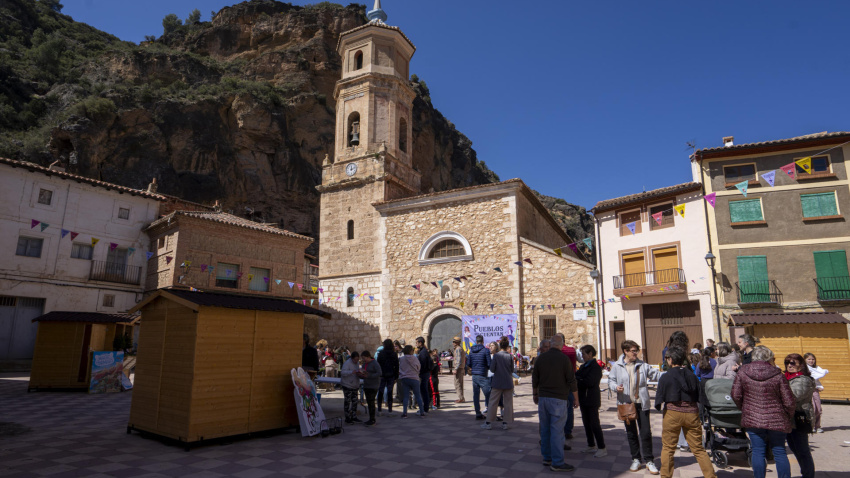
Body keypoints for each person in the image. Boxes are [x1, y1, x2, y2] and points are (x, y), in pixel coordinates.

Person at [731, 345, 795, 478]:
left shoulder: (743, 372)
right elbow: (789, 401)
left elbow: (736, 395)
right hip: (777, 418)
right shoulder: (778, 375)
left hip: (753, 417)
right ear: (769, 358)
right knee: (779, 451)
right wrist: (788, 415)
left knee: (758, 451)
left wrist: (745, 408)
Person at [655, 347, 717, 478]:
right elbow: (701, 396)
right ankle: (711, 476)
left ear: (670, 360)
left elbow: (659, 398)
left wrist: (659, 407)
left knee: (668, 448)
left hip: (672, 413)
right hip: (691, 413)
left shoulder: (666, 376)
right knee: (698, 449)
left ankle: (665, 476)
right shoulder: (691, 375)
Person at [608, 340, 661, 474]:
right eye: (633, 351)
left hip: (642, 404)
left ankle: (649, 460)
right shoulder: (617, 366)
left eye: (637, 350)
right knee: (631, 433)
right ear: (625, 351)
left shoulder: (643, 365)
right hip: (626, 404)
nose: (636, 353)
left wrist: (672, 373)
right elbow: (611, 380)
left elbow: (656, 375)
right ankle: (636, 459)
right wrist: (615, 387)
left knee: (646, 432)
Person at [532, 336, 579, 472]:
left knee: (545, 429)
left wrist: (535, 394)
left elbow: (535, 378)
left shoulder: (540, 358)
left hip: (543, 398)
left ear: (551, 344)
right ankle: (557, 462)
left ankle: (547, 457)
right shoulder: (564, 359)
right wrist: (576, 398)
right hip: (558, 398)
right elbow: (571, 380)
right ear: (561, 345)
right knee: (557, 431)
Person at [784, 353, 816, 478]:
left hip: (800, 419)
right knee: (795, 448)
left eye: (793, 363)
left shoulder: (803, 379)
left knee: (802, 451)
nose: (789, 365)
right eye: (787, 363)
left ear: (800, 364)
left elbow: (794, 397)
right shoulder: (788, 377)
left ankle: (808, 475)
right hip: (790, 419)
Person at [575, 344, 606, 457]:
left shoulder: (595, 367)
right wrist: (579, 379)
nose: (582, 356)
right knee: (586, 423)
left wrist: (580, 380)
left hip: (592, 398)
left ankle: (602, 447)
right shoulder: (583, 366)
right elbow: (576, 376)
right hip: (583, 398)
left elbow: (589, 382)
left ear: (590, 354)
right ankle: (591, 444)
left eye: (583, 354)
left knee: (594, 423)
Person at [482, 337, 514, 430]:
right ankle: (505, 423)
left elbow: (492, 369)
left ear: (500, 346)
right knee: (508, 403)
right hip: (508, 381)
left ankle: (488, 422)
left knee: (493, 402)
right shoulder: (510, 356)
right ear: (507, 346)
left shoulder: (496, 356)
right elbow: (512, 370)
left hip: (497, 382)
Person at [556, 332, 578, 440]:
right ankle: (568, 430)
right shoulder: (572, 350)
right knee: (569, 406)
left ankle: (559, 428)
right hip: (570, 381)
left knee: (557, 406)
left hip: (558, 382)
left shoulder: (556, 352)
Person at [466, 334, 492, 420]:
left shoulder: (471, 351)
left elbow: (468, 363)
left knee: (476, 395)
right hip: (483, 374)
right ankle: (489, 412)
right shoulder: (486, 350)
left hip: (474, 375)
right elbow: (489, 364)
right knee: (488, 393)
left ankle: (478, 413)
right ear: (482, 341)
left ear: (476, 341)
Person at [398, 344, 425, 418]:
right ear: (411, 351)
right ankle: (422, 412)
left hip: (405, 378)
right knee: (418, 395)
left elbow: (400, 367)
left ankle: (404, 413)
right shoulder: (415, 358)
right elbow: (418, 366)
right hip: (414, 378)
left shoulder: (401, 359)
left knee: (406, 396)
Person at [804, 353, 827, 433]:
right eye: (809, 359)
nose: (811, 361)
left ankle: (817, 426)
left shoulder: (816, 368)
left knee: (818, 409)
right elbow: (807, 380)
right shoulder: (804, 369)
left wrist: (819, 386)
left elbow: (816, 379)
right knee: (812, 408)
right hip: (808, 390)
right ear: (805, 360)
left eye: (812, 359)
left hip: (815, 390)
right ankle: (811, 426)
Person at [377, 339, 399, 417]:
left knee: (380, 391)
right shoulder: (394, 354)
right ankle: (390, 410)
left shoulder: (381, 353)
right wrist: (396, 376)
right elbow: (396, 365)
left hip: (382, 375)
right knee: (390, 392)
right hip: (391, 375)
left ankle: (379, 409)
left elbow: (378, 364)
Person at [360, 351, 382, 426]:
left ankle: (372, 419)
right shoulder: (364, 364)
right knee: (369, 402)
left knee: (371, 402)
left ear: (368, 357)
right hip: (366, 385)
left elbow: (379, 373)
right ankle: (371, 418)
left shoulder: (374, 363)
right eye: (362, 358)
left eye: (364, 358)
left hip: (373, 385)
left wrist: (369, 375)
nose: (363, 360)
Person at [340, 351, 362, 424]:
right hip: (347, 385)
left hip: (355, 385)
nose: (356, 361)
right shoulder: (347, 363)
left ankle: (354, 416)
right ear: (352, 358)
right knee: (347, 401)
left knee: (355, 401)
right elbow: (342, 372)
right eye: (355, 359)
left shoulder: (357, 363)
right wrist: (351, 372)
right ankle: (347, 417)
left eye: (357, 359)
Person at [415, 337, 434, 414]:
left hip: (423, 373)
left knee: (424, 391)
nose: (416, 344)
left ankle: (425, 408)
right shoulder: (423, 351)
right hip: (425, 373)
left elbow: (422, 364)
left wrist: (419, 372)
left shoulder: (423, 352)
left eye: (417, 342)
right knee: (424, 390)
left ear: (420, 343)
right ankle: (425, 407)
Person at [451, 336, 467, 403]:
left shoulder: (458, 349)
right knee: (459, 383)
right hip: (460, 368)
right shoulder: (459, 348)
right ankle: (461, 397)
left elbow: (458, 360)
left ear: (457, 343)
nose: (453, 343)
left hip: (459, 369)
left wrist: (456, 369)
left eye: (454, 342)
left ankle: (461, 398)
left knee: (457, 384)